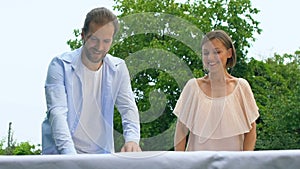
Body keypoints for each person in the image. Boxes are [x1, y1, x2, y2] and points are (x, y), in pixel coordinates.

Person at [42, 7, 141, 154]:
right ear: (83, 35)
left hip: (101, 154)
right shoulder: (60, 65)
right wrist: (70, 157)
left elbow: (128, 108)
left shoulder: (118, 68)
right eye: (94, 39)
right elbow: (57, 113)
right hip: (63, 153)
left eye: (106, 41)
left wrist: (132, 140)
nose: (100, 47)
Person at [173, 30, 259, 151]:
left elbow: (251, 130)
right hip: (197, 163)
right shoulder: (193, 87)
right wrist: (179, 162)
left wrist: (245, 161)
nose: (210, 57)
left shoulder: (241, 87)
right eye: (206, 53)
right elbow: (181, 130)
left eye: (217, 52)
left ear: (229, 53)